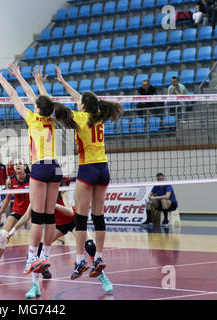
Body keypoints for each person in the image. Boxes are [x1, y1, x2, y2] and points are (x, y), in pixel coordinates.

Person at [0, 62, 79, 278]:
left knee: (37, 217)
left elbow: (15, 97)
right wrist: (27, 79)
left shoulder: (32, 118)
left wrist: (3, 78)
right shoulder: (51, 118)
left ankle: (31, 257)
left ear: (37, 107)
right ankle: (44, 255)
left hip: (39, 167)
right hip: (55, 168)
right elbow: (37, 97)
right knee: (49, 217)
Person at [49, 65, 123, 282]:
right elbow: (83, 100)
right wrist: (64, 84)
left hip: (88, 169)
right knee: (98, 216)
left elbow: (59, 109)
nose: (77, 102)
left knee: (80, 217)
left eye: (79, 102)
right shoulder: (99, 114)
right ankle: (99, 257)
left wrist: (48, 100)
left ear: (82, 106)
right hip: (103, 169)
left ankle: (80, 259)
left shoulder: (80, 118)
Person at [7, 187, 113, 297]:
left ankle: (102, 276)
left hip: (74, 222)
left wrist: (53, 204)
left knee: (90, 246)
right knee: (37, 250)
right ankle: (35, 286)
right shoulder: (38, 193)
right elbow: (26, 216)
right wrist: (12, 231)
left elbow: (70, 212)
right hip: (57, 226)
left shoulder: (61, 191)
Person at [0, 159, 30, 278]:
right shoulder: (10, 180)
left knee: (38, 236)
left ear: (25, 166)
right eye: (15, 164)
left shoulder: (32, 179)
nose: (17, 165)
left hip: (30, 212)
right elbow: (7, 199)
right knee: (2, 235)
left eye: (20, 163)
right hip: (16, 212)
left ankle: (42, 265)